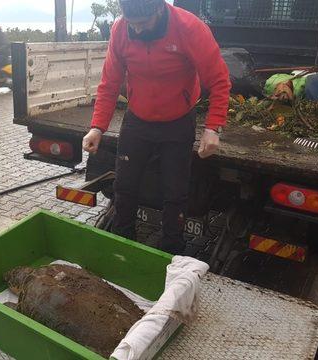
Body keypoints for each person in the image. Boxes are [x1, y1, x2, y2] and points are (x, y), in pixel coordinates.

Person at [82, 0, 231, 254]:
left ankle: (171, 250)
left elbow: (219, 80)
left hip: (178, 121)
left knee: (175, 193)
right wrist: (97, 126)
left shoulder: (189, 28)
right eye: (132, 23)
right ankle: (122, 244)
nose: (137, 30)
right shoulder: (120, 30)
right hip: (138, 119)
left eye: (143, 23)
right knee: (124, 187)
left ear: (159, 9)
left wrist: (213, 127)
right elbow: (109, 83)